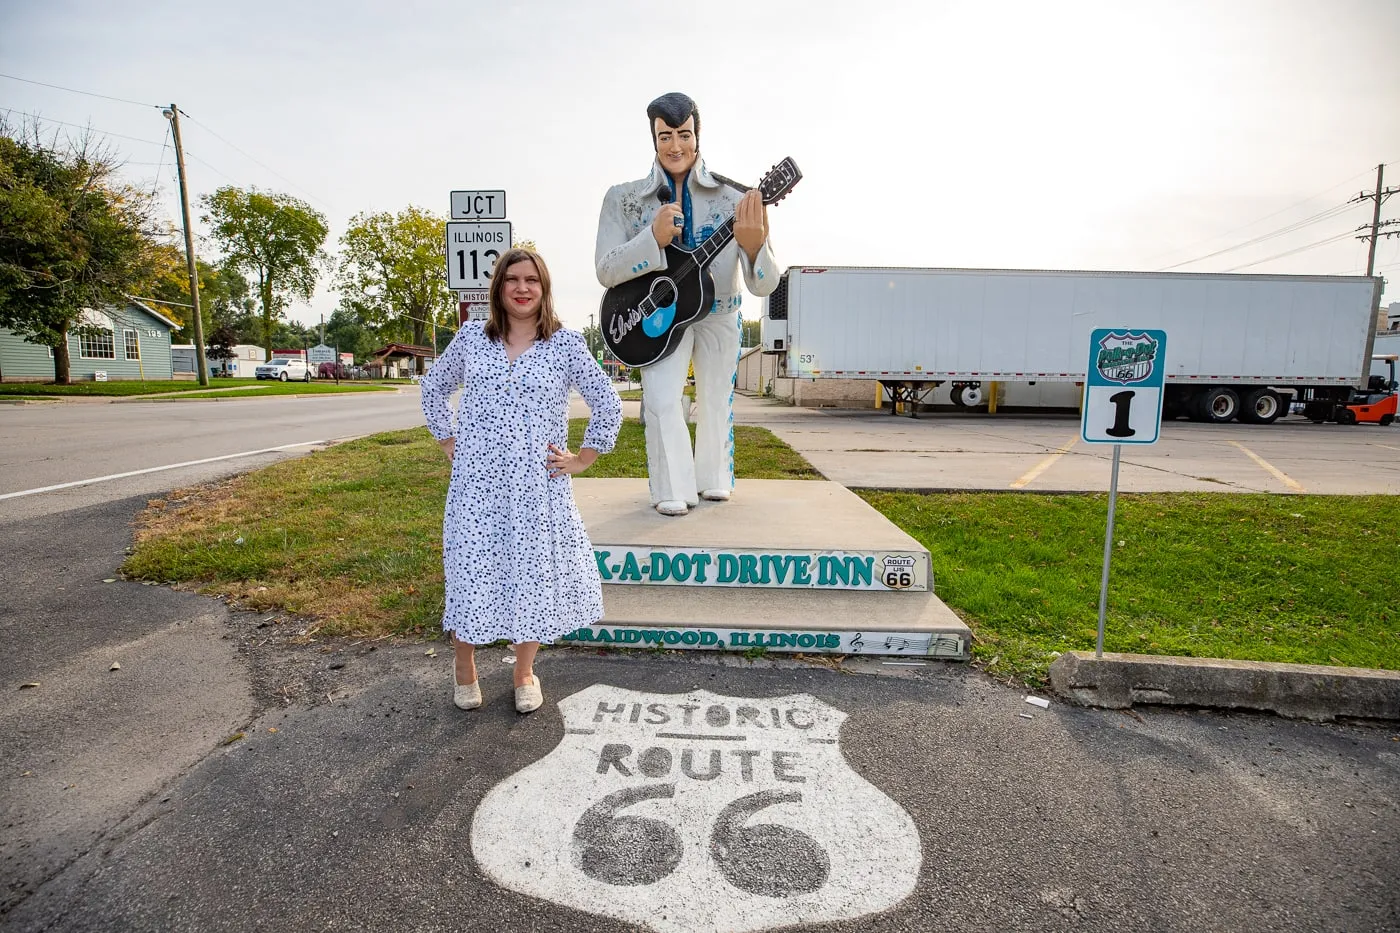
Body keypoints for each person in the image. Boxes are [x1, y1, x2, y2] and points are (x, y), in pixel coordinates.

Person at [420, 248, 622, 713]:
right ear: (499, 287)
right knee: (472, 571)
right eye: (512, 279)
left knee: (532, 577)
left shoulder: (566, 344)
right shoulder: (473, 338)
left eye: (531, 279)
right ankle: (465, 668)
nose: (522, 288)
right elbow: (434, 388)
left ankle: (524, 671)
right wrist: (448, 439)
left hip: (538, 488)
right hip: (477, 487)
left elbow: (606, 401)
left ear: (544, 287)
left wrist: (585, 457)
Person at [594, 91, 779, 516]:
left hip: (720, 313)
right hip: (656, 315)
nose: (675, 146)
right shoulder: (623, 200)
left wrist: (755, 247)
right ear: (653, 139)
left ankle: (714, 479)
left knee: (716, 398)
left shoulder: (737, 198)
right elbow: (606, 270)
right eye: (665, 137)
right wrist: (651, 240)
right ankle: (672, 487)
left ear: (698, 135)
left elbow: (764, 284)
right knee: (661, 401)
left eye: (684, 134)